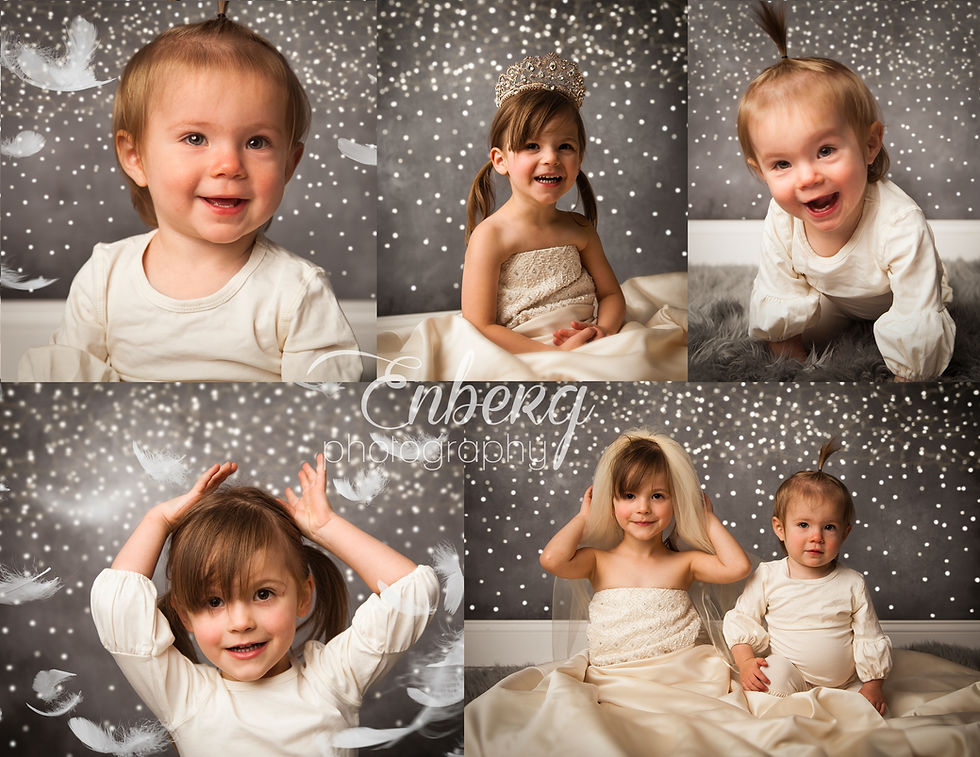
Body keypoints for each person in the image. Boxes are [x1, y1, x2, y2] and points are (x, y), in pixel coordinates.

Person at [19, 13, 360, 381]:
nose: (229, 165)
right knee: (50, 366)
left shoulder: (296, 290)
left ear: (288, 165)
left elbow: (323, 410)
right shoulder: (105, 278)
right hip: (130, 434)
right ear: (136, 158)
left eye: (256, 142)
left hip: (254, 434)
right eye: (195, 138)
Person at [90, 455, 438, 756]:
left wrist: (327, 527)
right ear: (185, 615)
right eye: (214, 601)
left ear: (303, 597)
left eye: (263, 594)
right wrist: (158, 520)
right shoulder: (185, 696)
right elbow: (117, 609)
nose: (240, 622)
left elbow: (411, 593)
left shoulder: (332, 682)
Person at [378, 53, 688, 381]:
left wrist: (603, 330)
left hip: (585, 339)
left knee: (642, 361)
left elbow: (611, 295)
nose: (551, 158)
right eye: (531, 146)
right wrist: (554, 355)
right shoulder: (492, 235)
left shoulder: (579, 228)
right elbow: (480, 324)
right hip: (524, 346)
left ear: (579, 158)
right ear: (501, 160)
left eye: (564, 146)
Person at [740, 1, 954, 381]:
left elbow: (915, 318)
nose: (807, 178)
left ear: (869, 145)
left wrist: (910, 370)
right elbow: (780, 287)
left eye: (825, 151)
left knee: (920, 330)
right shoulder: (782, 217)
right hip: (836, 299)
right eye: (782, 165)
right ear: (760, 171)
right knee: (796, 326)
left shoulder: (899, 223)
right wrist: (794, 362)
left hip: (897, 295)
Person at [724, 438, 892, 714]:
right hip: (790, 673)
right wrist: (744, 663)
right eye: (803, 525)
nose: (816, 537)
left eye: (828, 527)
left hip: (842, 682)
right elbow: (742, 619)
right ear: (780, 528)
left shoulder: (852, 582)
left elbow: (868, 636)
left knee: (867, 712)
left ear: (845, 533)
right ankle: (785, 713)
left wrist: (873, 684)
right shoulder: (769, 575)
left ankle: (841, 708)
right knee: (765, 684)